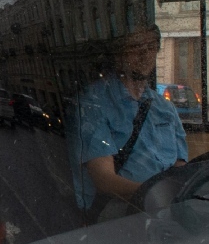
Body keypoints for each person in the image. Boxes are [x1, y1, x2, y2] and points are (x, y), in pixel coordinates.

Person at [69, 25, 189, 216]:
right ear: (119, 55)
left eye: (151, 48)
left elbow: (180, 169)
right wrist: (155, 195)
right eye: (136, 48)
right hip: (120, 211)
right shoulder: (94, 103)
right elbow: (104, 180)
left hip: (164, 208)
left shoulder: (164, 108)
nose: (145, 55)